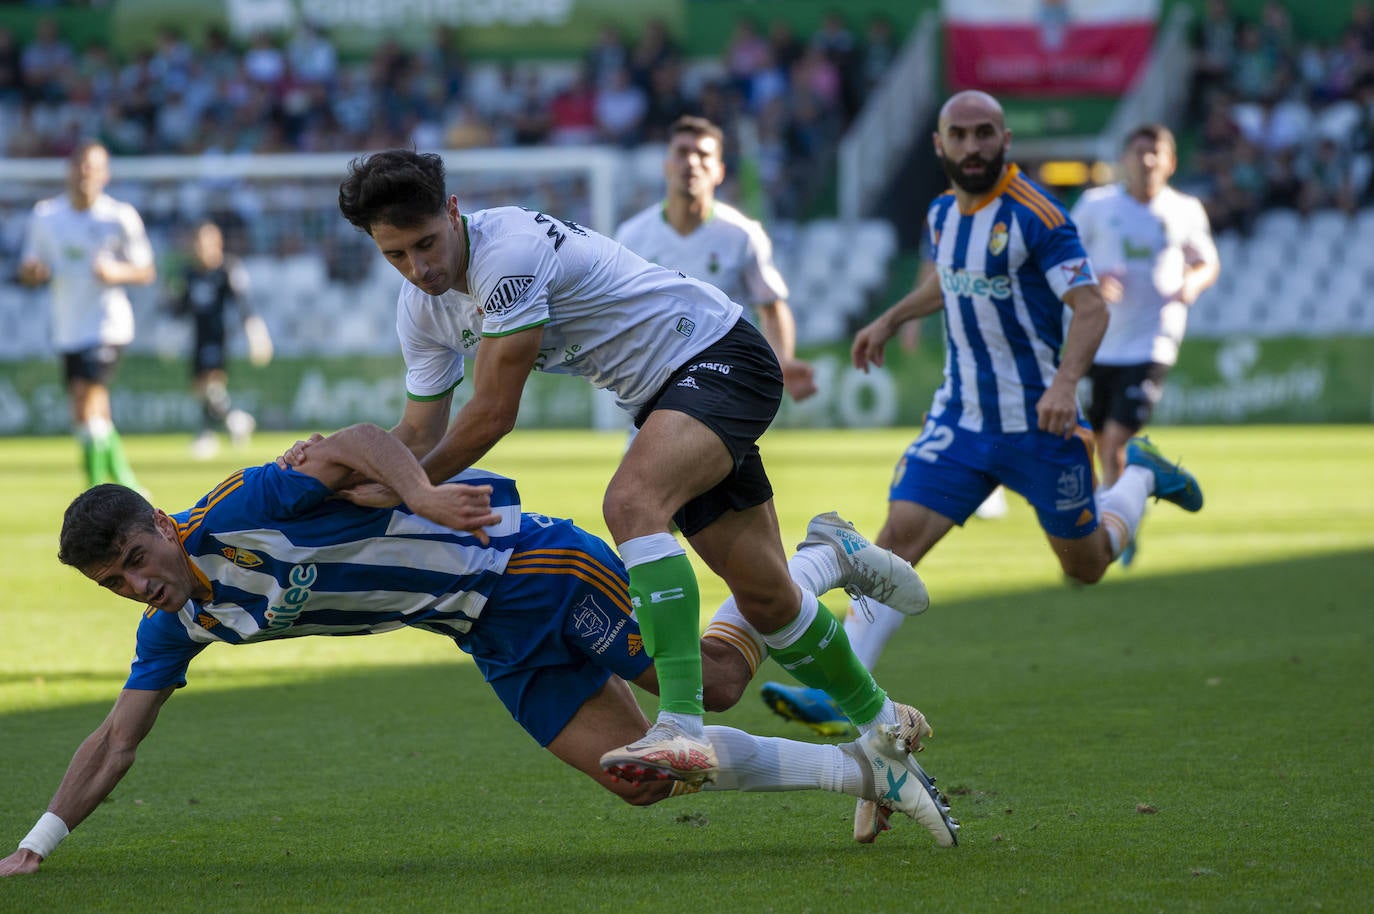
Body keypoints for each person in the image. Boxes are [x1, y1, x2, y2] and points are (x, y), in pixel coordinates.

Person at [0, 424, 957, 877]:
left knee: (711, 689)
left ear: (161, 526)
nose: (137, 584)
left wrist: (416, 494)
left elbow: (360, 442)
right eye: (115, 583)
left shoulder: (247, 509)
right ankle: (863, 773)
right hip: (484, 633)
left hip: (527, 567)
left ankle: (818, 555)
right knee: (641, 780)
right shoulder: (176, 625)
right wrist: (36, 848)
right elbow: (117, 739)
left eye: (135, 558)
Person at [333, 149, 931, 795]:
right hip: (665, 399)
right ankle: (880, 714)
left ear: (453, 212)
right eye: (396, 255)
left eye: (425, 243)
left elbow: (492, 415)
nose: (419, 269)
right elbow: (416, 433)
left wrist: (406, 489)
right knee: (769, 600)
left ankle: (680, 726)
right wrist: (341, 478)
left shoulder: (505, 256)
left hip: (716, 353)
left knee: (631, 503)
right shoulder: (420, 309)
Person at [760, 91, 1206, 841]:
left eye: (986, 133)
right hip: (961, 421)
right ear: (939, 142)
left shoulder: (1039, 214)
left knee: (1087, 563)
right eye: (960, 134)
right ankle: (846, 693)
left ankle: (1139, 475)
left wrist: (1066, 385)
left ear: (1004, 139)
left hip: (1040, 423)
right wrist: (892, 316)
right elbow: (947, 282)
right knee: (892, 542)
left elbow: (1090, 307)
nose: (973, 145)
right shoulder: (942, 214)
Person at [1070, 124, 1220, 563]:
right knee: (1101, 446)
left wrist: (1193, 282)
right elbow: (1065, 256)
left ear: (1171, 162)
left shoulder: (1185, 208)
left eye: (1156, 153)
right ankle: (1123, 521)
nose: (1147, 160)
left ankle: (1118, 513)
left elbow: (1208, 261)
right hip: (1100, 341)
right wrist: (1095, 281)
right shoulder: (1097, 206)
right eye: (1139, 152)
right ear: (1124, 159)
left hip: (1154, 339)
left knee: (1117, 441)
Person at [614, 115, 816, 403]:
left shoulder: (742, 234)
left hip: (726, 382)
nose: (692, 162)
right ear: (666, 165)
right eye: (682, 152)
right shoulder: (632, 236)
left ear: (719, 171)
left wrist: (782, 359)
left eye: (703, 154)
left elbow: (771, 306)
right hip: (656, 387)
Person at [18, 140, 156, 491]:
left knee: (86, 396)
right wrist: (33, 273)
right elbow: (28, 268)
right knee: (87, 412)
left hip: (108, 323)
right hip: (68, 325)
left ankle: (96, 489)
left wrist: (116, 272)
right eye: (81, 166)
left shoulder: (119, 216)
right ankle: (127, 483)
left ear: (105, 174)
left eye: (93, 167)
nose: (86, 174)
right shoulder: (46, 215)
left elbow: (146, 270)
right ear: (70, 170)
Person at [164, 220, 274, 459]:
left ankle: (206, 434)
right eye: (196, 243)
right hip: (198, 336)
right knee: (202, 389)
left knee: (211, 384)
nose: (199, 248)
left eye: (204, 243)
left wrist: (256, 335)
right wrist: (170, 333)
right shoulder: (189, 272)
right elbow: (180, 307)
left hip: (219, 335)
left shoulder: (228, 269)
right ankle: (235, 420)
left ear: (217, 244)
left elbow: (244, 304)